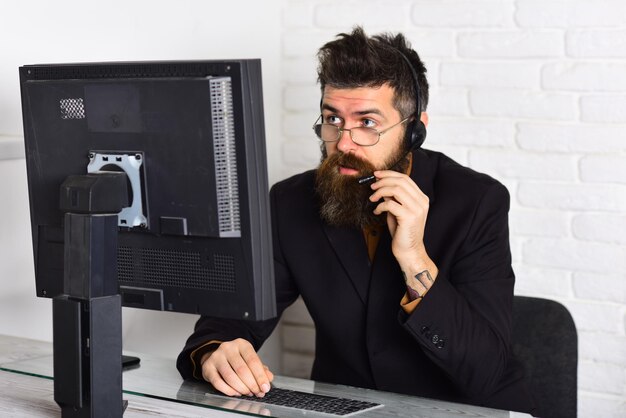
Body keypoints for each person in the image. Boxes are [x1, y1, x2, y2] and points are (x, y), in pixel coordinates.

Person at [177, 26, 535, 414]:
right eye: (333, 119)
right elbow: (229, 322)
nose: (343, 143)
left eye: (367, 122)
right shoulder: (290, 201)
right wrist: (218, 351)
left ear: (415, 131)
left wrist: (415, 257)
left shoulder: (477, 201)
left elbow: (486, 370)